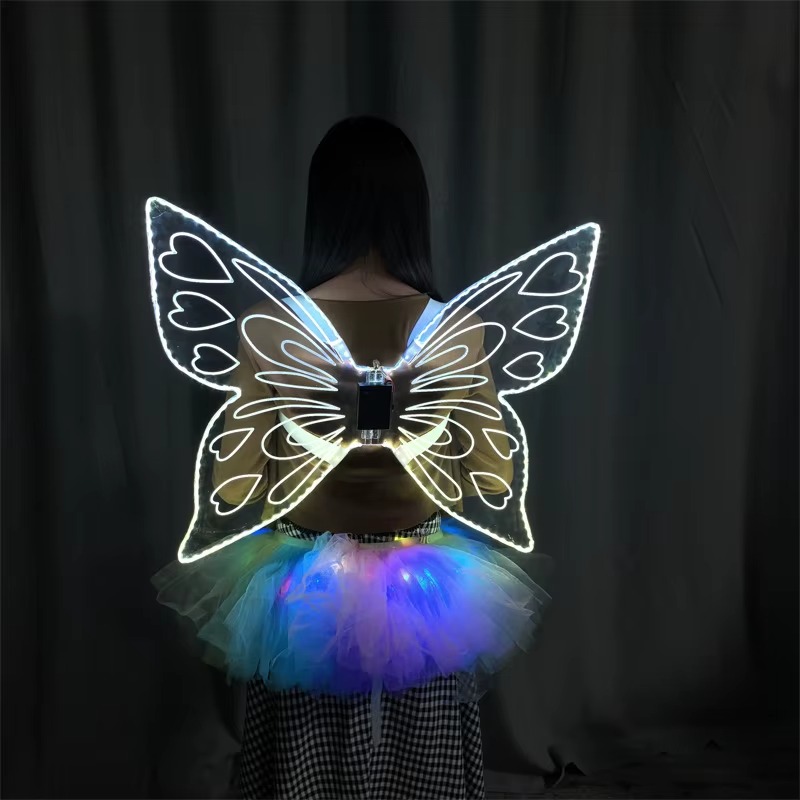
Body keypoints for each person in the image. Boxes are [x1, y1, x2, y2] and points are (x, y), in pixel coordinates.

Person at [152, 116, 548, 800]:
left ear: (323, 208)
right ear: (413, 209)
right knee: (423, 744)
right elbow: (491, 475)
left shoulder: (273, 328)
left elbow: (236, 484)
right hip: (423, 581)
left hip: (304, 588)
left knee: (303, 748)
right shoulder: (458, 328)